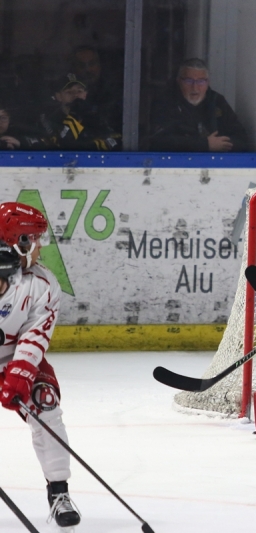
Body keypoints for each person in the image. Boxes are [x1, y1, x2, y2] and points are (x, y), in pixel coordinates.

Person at [0, 202, 81, 527]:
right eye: (34, 239)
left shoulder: (42, 284)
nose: (40, 246)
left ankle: (59, 492)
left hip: (13, 359)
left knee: (45, 403)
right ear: (16, 243)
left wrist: (20, 375)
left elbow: (35, 336)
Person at [149, 58, 248, 152]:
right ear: (179, 81)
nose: (195, 87)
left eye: (201, 81)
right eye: (189, 81)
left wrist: (221, 144)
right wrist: (204, 144)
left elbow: (242, 139)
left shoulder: (217, 101)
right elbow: (157, 141)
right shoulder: (166, 102)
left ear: (207, 82)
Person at [39, 73, 122, 151]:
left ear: (85, 94)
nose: (75, 95)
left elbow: (116, 140)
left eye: (79, 91)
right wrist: (74, 115)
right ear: (58, 96)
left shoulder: (97, 117)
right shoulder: (49, 118)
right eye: (69, 92)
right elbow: (62, 146)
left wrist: (87, 146)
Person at [70, 45, 123, 132]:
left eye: (92, 64)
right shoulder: (68, 93)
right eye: (82, 66)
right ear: (74, 69)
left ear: (99, 65)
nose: (88, 70)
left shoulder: (113, 92)